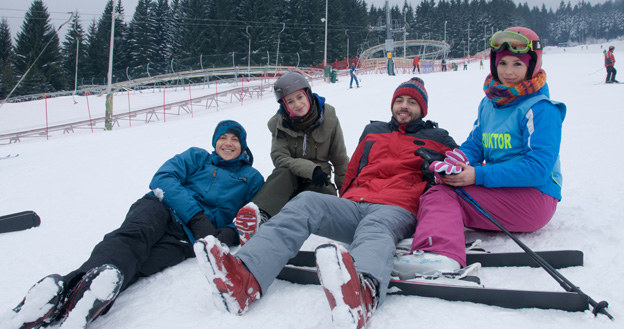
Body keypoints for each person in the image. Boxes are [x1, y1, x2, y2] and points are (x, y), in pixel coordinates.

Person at [193, 77, 458, 329]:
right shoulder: (373, 131)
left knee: (375, 228)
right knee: (307, 201)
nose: (404, 106)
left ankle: (362, 293)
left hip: (396, 207)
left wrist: (436, 171)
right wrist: (345, 197)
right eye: (399, 100)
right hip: (356, 203)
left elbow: (460, 170)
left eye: (411, 102)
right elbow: (352, 168)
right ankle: (244, 278)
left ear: (422, 108)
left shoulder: (439, 138)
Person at [5, 120, 264, 329]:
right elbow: (163, 178)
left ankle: (80, 299)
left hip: (186, 238)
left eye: (235, 139)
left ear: (243, 146)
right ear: (214, 142)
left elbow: (252, 215)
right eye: (223, 137)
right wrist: (197, 216)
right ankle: (66, 290)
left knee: (141, 264)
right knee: (131, 240)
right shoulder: (197, 157)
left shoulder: (251, 178)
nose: (228, 143)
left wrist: (226, 233)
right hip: (161, 208)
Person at [397, 26, 566, 276]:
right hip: (501, 189)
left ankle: (440, 254)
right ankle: (433, 234)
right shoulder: (490, 103)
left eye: (518, 64)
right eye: (503, 63)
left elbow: (538, 169)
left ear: (531, 67)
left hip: (534, 197)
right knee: (439, 188)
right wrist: (454, 163)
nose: (508, 72)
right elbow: (477, 143)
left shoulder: (541, 110)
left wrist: (477, 176)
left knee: (445, 196)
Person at [234, 71, 349, 245]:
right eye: (290, 101)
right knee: (282, 173)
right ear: (284, 105)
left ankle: (297, 232)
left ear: (308, 95)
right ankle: (258, 218)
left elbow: (340, 160)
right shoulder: (279, 124)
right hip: (290, 179)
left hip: (318, 181)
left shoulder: (329, 118)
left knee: (324, 200)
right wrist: (310, 169)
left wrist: (347, 198)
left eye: (299, 97)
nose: (297, 104)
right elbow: (279, 157)